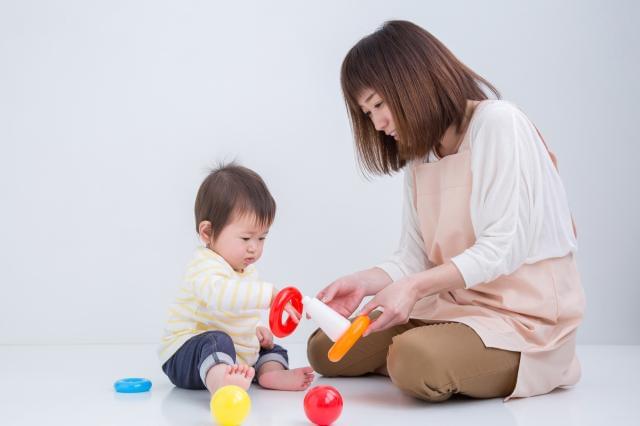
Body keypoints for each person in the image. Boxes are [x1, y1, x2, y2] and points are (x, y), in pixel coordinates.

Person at [307, 20, 585, 402]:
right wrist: (365, 282)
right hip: (452, 305)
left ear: (412, 81)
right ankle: (440, 350)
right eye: (367, 113)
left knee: (413, 361)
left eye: (379, 105)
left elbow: (504, 247)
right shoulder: (421, 154)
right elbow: (413, 258)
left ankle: (509, 362)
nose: (378, 124)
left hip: (521, 318)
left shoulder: (499, 124)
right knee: (325, 348)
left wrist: (412, 289)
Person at [160, 163, 314, 395]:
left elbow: (237, 312)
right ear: (207, 233)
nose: (255, 248)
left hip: (231, 354)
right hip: (185, 354)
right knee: (215, 341)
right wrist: (269, 295)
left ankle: (270, 373)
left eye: (262, 238)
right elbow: (221, 297)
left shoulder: (245, 270)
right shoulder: (204, 265)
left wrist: (256, 329)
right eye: (245, 238)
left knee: (272, 348)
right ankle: (219, 382)